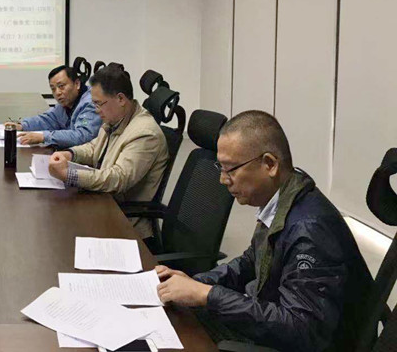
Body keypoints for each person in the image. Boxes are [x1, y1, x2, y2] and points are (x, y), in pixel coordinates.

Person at [155, 111, 373, 352]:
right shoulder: (283, 197)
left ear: (270, 164)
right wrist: (194, 284)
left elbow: (303, 331)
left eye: (230, 169)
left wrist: (209, 295)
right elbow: (251, 262)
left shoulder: (310, 231)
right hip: (273, 314)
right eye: (221, 168)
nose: (222, 180)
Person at [47, 64, 168, 240]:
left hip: (125, 223)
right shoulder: (115, 118)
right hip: (104, 203)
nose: (96, 110)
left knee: (60, 231)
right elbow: (94, 148)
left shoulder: (145, 133)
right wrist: (70, 154)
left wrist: (70, 175)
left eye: (99, 104)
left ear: (120, 99)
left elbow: (117, 178)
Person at [9, 65, 101, 148]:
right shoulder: (66, 103)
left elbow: (83, 136)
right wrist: (22, 126)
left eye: (61, 86)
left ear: (77, 84)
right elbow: (49, 119)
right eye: (53, 89)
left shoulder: (91, 103)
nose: (57, 92)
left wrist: (44, 137)